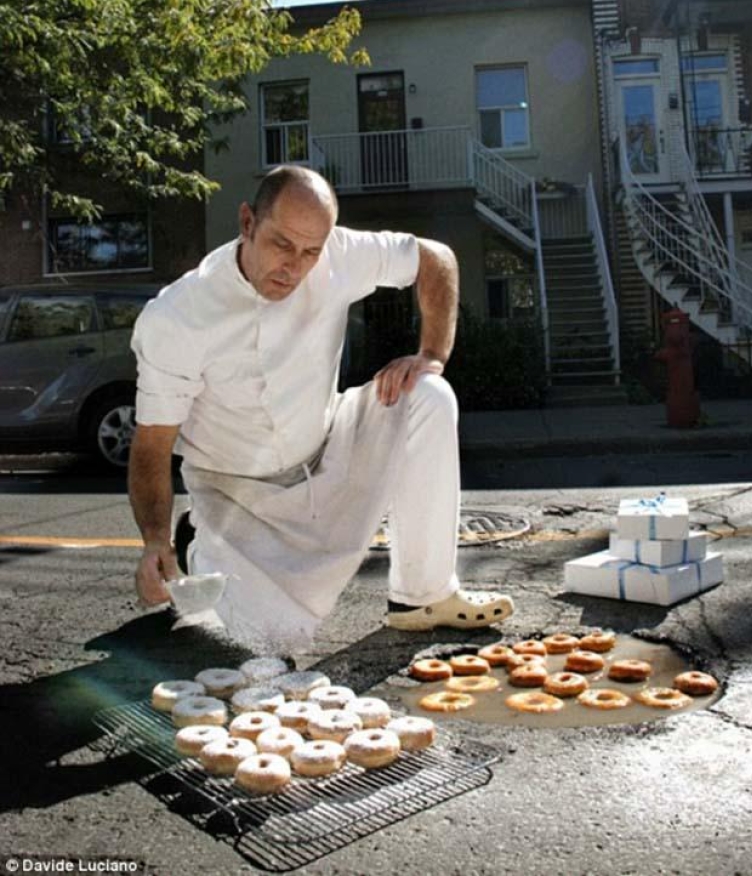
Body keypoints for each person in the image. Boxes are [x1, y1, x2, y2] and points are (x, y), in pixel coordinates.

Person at [129, 165, 513, 645]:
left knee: (429, 394)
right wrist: (154, 540)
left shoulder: (339, 255)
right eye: (282, 244)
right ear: (247, 222)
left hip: (328, 452)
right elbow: (151, 447)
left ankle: (424, 595)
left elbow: (436, 258)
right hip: (237, 499)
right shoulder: (176, 316)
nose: (293, 267)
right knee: (263, 643)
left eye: (310, 252)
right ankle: (196, 545)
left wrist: (432, 354)